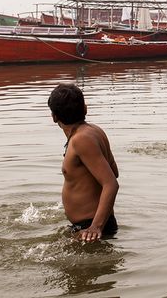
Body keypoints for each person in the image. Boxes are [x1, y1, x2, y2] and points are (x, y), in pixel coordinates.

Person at [48, 83, 119, 242]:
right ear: (85, 108)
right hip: (91, 226)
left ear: (54, 117)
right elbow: (114, 172)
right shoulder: (94, 131)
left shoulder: (82, 139)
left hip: (92, 229)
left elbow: (111, 183)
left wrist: (96, 227)